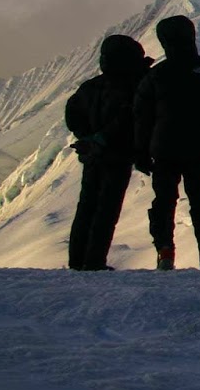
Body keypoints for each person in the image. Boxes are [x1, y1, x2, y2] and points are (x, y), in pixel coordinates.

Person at [134, 15, 200, 271]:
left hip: (163, 150)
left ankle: (165, 254)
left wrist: (142, 151)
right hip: (198, 148)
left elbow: (141, 116)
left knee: (164, 202)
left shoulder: (157, 74)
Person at [64, 34, 151, 271]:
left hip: (93, 156)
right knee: (106, 210)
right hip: (117, 156)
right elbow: (129, 119)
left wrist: (86, 138)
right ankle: (93, 261)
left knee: (87, 207)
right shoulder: (132, 87)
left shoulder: (90, 88)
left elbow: (72, 114)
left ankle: (77, 261)